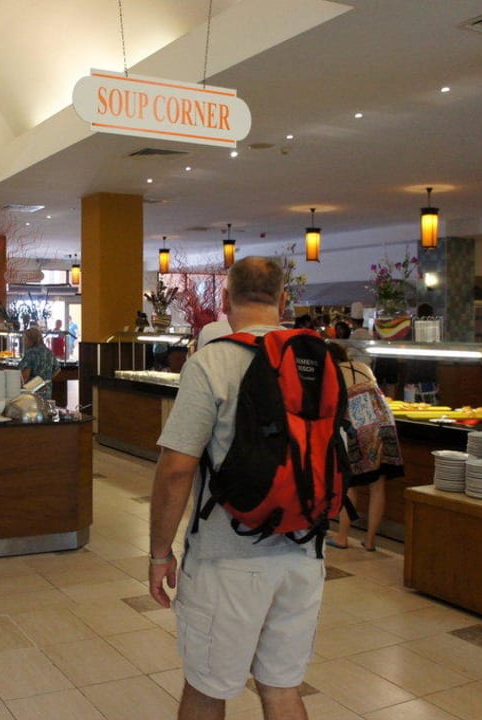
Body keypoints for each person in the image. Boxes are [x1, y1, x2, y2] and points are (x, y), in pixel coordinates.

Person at [149, 257, 325, 720]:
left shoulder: (212, 362)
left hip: (227, 557)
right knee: (282, 689)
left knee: (207, 689)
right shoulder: (319, 361)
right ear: (283, 300)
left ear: (225, 300)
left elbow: (176, 469)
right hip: (304, 550)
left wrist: (159, 553)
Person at [324, 342, 404, 552]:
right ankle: (370, 541)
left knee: (350, 484)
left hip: (358, 427)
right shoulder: (363, 366)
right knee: (378, 485)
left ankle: (342, 537)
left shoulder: (332, 373)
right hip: (385, 425)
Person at [18, 326, 58, 400]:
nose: (24, 342)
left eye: (25, 339)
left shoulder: (31, 353)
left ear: (31, 340)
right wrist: (46, 378)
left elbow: (25, 376)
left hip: (32, 391)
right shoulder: (49, 352)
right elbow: (57, 370)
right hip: (47, 390)